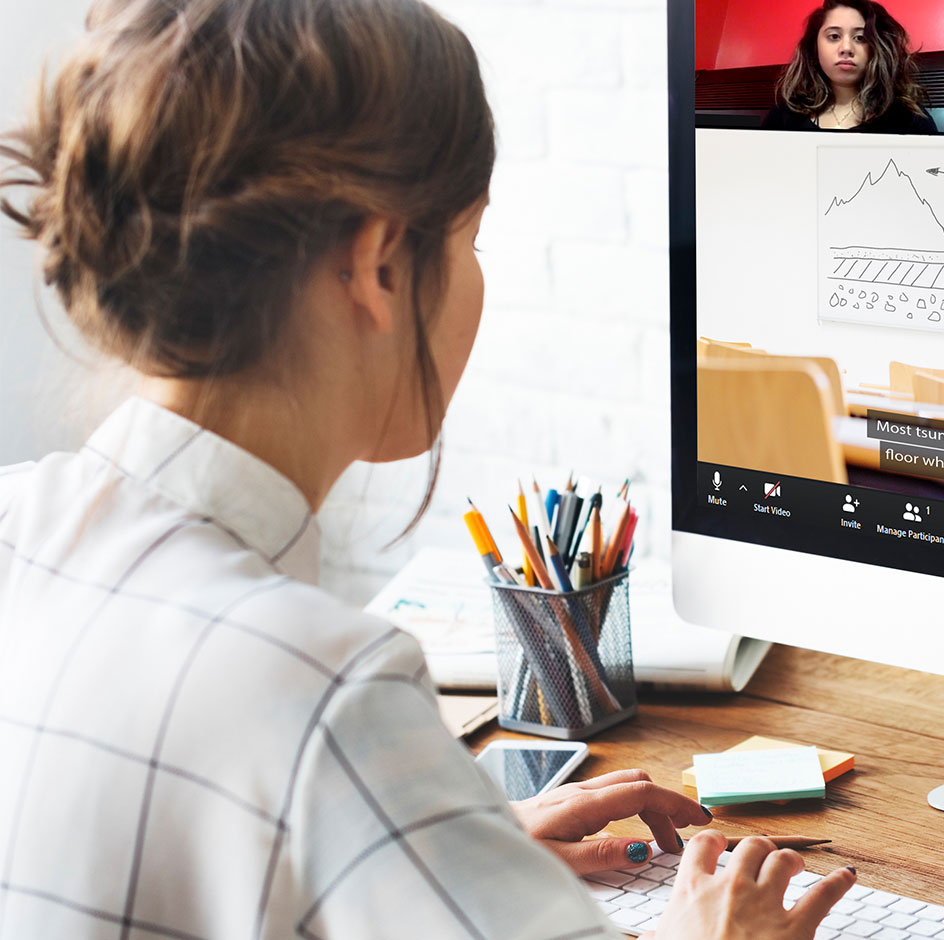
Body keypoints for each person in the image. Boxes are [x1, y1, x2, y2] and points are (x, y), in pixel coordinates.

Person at [0, 1, 854, 938]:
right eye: (471, 238)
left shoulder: (18, 525)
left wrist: (429, 847)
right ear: (375, 262)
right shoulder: (324, 686)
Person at [762, 0, 938, 134]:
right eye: (834, 36)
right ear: (814, 48)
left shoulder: (910, 120)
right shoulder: (783, 118)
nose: (846, 48)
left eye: (860, 38)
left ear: (875, 48)